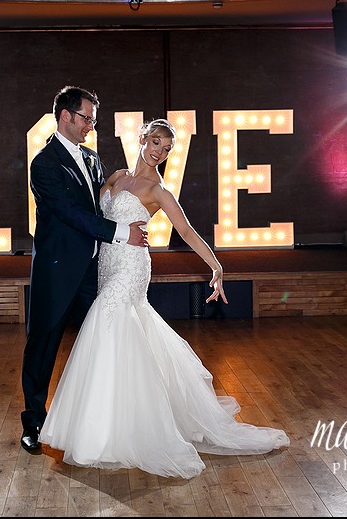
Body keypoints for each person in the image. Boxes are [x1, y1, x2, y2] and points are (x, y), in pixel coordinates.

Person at [38, 118, 289, 479]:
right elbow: (91, 216)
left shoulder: (158, 191)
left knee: (105, 326)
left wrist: (216, 267)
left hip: (131, 269)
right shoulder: (116, 176)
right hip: (106, 265)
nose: (160, 152)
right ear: (141, 139)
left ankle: (111, 434)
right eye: (156, 143)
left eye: (167, 148)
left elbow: (185, 229)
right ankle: (113, 422)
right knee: (121, 340)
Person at [21, 86, 149, 455]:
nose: (91, 126)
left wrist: (127, 198)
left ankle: (102, 421)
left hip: (96, 271)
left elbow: (100, 207)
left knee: (104, 342)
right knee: (43, 346)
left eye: (93, 119)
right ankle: (34, 422)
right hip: (58, 271)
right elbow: (68, 213)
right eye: (86, 118)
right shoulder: (44, 163)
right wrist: (123, 233)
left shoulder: (93, 160)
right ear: (65, 116)